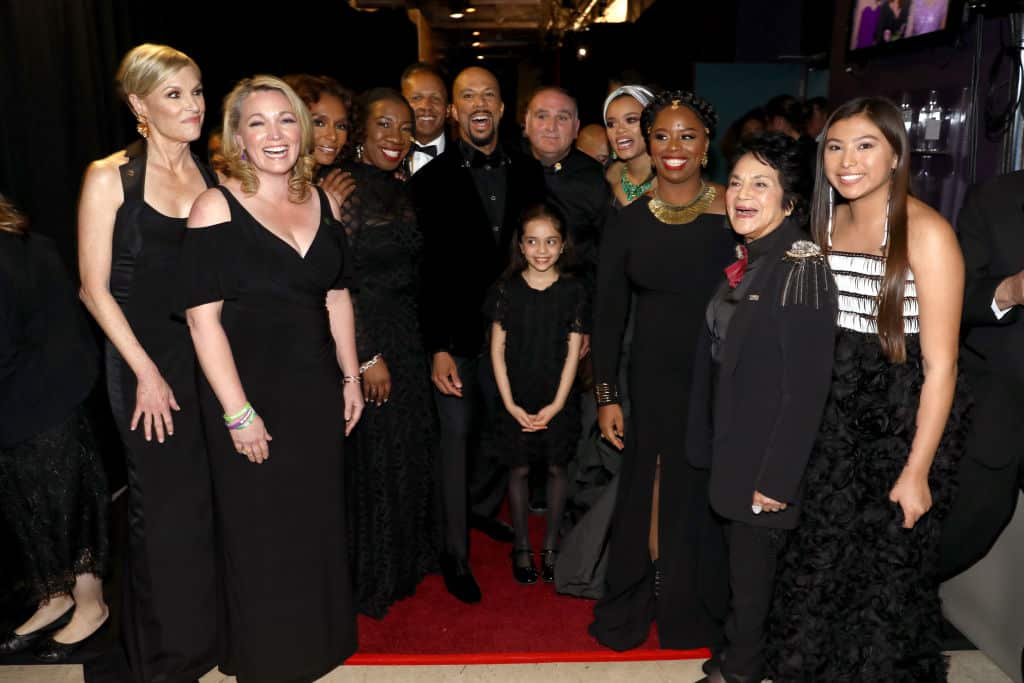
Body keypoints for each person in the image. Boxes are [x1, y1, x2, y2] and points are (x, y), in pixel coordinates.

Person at [767, 96, 968, 681]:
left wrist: (917, 471)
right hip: (830, 420)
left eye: (864, 145)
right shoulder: (823, 224)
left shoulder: (927, 233)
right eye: (834, 146)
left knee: (883, 587)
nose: (846, 160)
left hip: (900, 425)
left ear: (896, 153)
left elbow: (942, 368)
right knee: (817, 567)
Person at [183, 75, 362, 682]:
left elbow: (336, 295)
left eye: (286, 120)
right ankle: (268, 658)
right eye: (257, 123)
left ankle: (318, 643)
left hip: (315, 388)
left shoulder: (326, 202)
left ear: (304, 130)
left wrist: (350, 376)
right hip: (250, 390)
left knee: (314, 520)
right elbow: (203, 323)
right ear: (236, 136)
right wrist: (237, 411)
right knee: (260, 530)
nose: (275, 135)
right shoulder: (215, 206)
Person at [77, 43, 217, 682]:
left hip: (202, 357)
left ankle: (196, 639)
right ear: (139, 105)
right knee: (158, 509)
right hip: (141, 365)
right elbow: (93, 289)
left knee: (197, 508)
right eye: (174, 95)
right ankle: (156, 657)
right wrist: (147, 373)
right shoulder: (109, 176)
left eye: (196, 91)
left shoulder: (210, 176)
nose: (193, 106)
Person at [687, 133, 836, 683]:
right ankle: (733, 657)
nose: (742, 194)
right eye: (739, 181)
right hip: (735, 450)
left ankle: (740, 672)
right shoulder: (754, 259)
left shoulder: (800, 266)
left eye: (762, 184)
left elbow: (806, 389)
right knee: (740, 580)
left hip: (764, 463)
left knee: (753, 588)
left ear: (790, 201)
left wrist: (777, 479)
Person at [589, 90, 734, 651]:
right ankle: (644, 594)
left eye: (688, 136)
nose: (674, 147)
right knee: (647, 488)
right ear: (648, 144)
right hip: (649, 379)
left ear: (706, 147)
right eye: (663, 135)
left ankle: (693, 604)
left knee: (704, 490)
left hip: (718, 376)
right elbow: (607, 318)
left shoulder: (736, 213)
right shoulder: (628, 221)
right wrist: (606, 396)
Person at [410, 65, 546, 604]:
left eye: (490, 93)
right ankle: (453, 552)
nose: (480, 103)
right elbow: (426, 272)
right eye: (468, 95)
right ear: (454, 111)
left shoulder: (531, 172)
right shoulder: (430, 181)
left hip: (514, 335)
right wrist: (438, 345)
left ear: (503, 108)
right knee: (455, 437)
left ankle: (479, 511)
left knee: (500, 433)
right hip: (457, 336)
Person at [336, 87, 439, 618]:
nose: (396, 137)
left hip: (407, 332)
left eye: (404, 127)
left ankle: (404, 559)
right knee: (375, 456)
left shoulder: (400, 187)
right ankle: (372, 570)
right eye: (383, 126)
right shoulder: (348, 190)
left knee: (405, 448)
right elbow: (340, 278)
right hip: (369, 334)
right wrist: (366, 355)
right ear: (361, 131)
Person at [0, 195, 110, 661]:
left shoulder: (21, 250)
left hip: (43, 401)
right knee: (29, 508)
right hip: (23, 404)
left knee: (67, 505)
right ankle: (55, 596)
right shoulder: (30, 244)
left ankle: (91, 604)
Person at [486, 203, 587, 584]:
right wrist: (510, 403)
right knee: (520, 468)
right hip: (516, 393)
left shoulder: (574, 290)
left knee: (558, 467)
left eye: (550, 242)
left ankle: (552, 547)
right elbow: (497, 349)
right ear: (521, 246)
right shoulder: (505, 290)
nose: (541, 250)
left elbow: (575, 350)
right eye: (533, 241)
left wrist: (558, 404)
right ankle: (522, 547)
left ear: (562, 246)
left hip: (558, 394)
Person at [938, 170, 1024, 578]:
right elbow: (954, 295)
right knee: (961, 534)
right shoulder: (995, 197)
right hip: (999, 407)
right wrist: (1009, 290)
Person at [523, 86, 610, 281]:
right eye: (542, 116)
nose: (551, 127)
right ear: (526, 124)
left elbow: (609, 254)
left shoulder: (595, 180)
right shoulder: (504, 167)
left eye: (562, 118)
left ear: (576, 128)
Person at [283, 73, 356, 206]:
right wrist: (320, 207)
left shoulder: (338, 180)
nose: (333, 136)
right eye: (319, 123)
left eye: (341, 126)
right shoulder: (269, 181)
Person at [602, 85, 656, 207]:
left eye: (631, 120)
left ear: (652, 125)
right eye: (611, 124)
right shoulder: (602, 180)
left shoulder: (675, 182)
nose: (620, 130)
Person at [401, 62, 449, 177]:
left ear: (448, 109)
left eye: (435, 98)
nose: (426, 106)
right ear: (400, 104)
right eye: (416, 98)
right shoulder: (382, 157)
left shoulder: (467, 161)